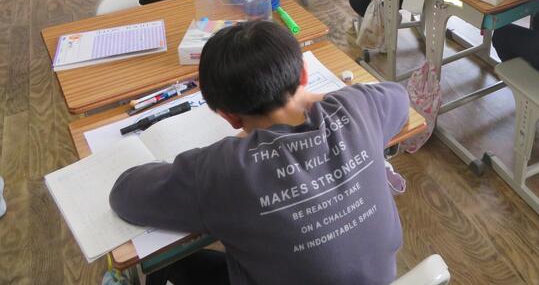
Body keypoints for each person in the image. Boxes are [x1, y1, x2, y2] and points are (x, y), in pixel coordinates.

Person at [109, 21, 410, 285]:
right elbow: (398, 97)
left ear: (229, 117)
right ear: (304, 75)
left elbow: (124, 194)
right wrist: (316, 102)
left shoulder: (223, 169)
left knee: (173, 263)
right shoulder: (359, 107)